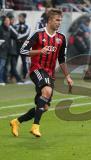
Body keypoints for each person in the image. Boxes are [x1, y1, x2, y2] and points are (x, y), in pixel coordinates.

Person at [10, 9, 73, 138]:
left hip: (50, 74)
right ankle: (35, 127)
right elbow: (23, 50)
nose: (59, 23)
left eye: (60, 20)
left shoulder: (61, 38)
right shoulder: (38, 34)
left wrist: (68, 76)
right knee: (47, 91)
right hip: (36, 69)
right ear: (49, 20)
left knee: (43, 107)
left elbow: (61, 59)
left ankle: (17, 121)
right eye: (57, 20)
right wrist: (39, 51)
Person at [14, 13, 31, 80]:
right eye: (19, 17)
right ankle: (14, 77)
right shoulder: (15, 26)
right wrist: (18, 38)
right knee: (14, 62)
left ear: (24, 18)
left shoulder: (27, 26)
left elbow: (26, 34)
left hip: (24, 47)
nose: (19, 18)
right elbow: (13, 34)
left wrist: (18, 37)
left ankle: (25, 77)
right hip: (16, 47)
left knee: (25, 62)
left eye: (20, 17)